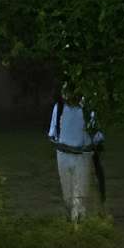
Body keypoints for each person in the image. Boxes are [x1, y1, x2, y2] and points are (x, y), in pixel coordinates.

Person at [46, 89, 101, 221]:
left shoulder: (88, 110)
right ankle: (73, 225)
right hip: (63, 156)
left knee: (80, 198)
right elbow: (52, 134)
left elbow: (98, 136)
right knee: (68, 197)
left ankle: (79, 226)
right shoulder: (59, 108)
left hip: (82, 156)